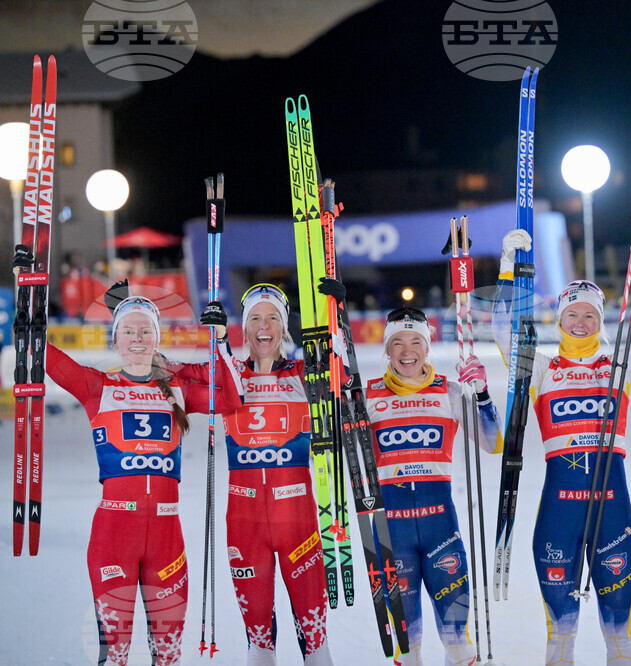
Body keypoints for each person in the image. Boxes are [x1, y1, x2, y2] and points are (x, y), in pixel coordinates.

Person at [13, 244, 241, 666]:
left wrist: (223, 342)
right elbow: (43, 355)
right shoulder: (96, 386)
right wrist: (30, 295)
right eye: (129, 331)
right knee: (114, 654)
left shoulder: (176, 388)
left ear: (157, 337)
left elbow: (229, 399)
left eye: (145, 331)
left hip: (168, 539)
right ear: (115, 337)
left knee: (168, 656)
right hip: (113, 533)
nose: (137, 338)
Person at [492, 230, 631, 664]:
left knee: (619, 634)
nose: (581, 322)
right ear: (560, 319)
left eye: (590, 315)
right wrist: (506, 269)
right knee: (560, 636)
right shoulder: (540, 369)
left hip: (613, 507)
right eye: (573, 314)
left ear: (600, 320)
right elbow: (501, 327)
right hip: (559, 509)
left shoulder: (621, 364)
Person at [363, 305, 501, 666]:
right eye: (397, 343)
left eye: (415, 342)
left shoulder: (451, 392)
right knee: (408, 648)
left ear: (428, 346)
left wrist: (482, 394)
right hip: (392, 531)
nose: (407, 351)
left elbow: (493, 443)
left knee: (459, 643)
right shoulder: (367, 397)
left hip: (441, 527)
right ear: (387, 350)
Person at [219, 283, 335, 666]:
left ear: (284, 328)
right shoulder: (226, 374)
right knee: (258, 646)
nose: (263, 326)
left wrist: (340, 317)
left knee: (317, 644)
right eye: (254, 318)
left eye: (272, 318)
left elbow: (344, 377)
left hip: (297, 521)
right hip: (244, 524)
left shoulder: (305, 373)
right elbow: (165, 375)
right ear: (244, 327)